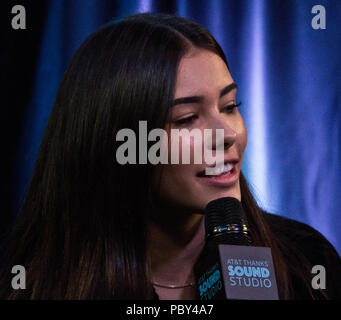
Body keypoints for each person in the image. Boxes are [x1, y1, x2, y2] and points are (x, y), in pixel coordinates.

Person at [0, 12, 340, 300]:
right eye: (186, 119)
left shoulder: (307, 262)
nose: (228, 135)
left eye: (229, 106)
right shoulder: (28, 281)